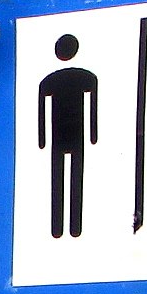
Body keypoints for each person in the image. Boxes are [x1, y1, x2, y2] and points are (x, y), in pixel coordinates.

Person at [35, 33, 98, 239]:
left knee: (64, 177)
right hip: (68, 134)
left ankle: (68, 228)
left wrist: (42, 138)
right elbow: (42, 110)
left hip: (63, 135)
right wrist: (93, 134)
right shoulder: (84, 77)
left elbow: (41, 110)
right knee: (68, 177)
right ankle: (66, 228)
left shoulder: (52, 81)